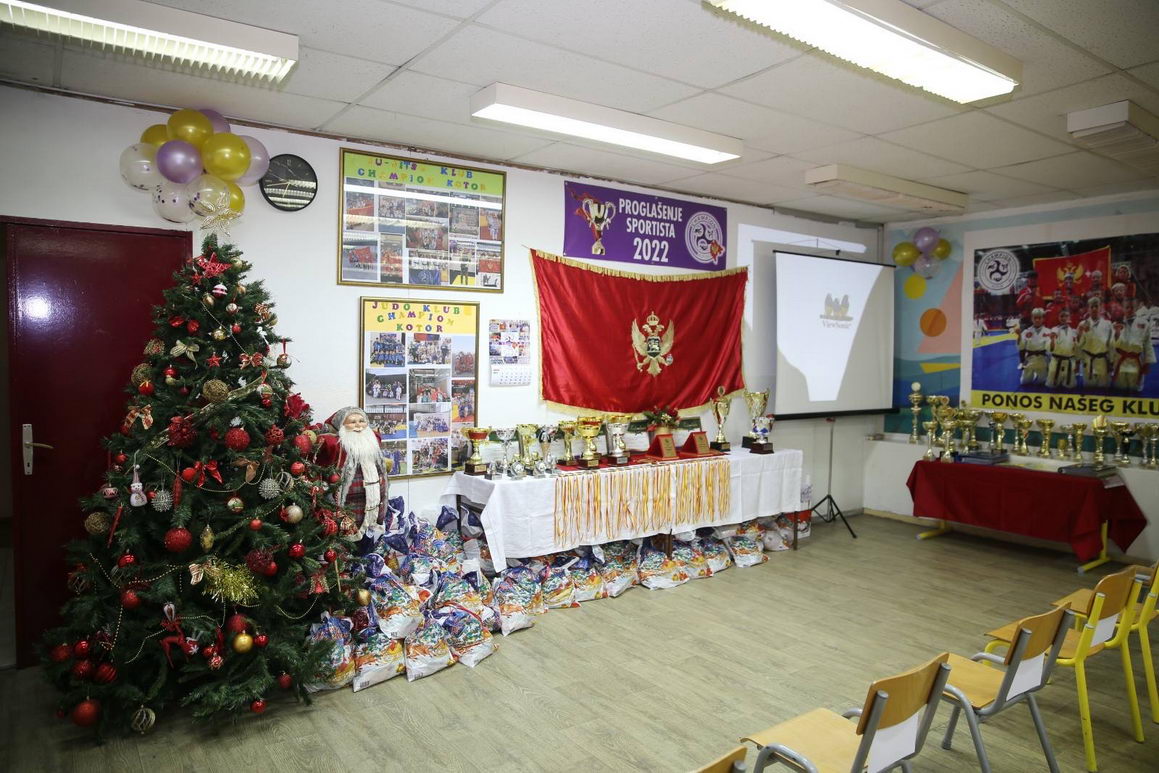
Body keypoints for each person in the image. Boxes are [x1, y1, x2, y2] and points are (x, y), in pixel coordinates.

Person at [316, 407, 391, 541]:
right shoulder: (337, 448)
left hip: (373, 515)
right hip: (348, 517)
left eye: (362, 421)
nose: (358, 425)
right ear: (341, 426)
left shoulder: (372, 446)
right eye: (352, 422)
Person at [1111, 298, 1155, 392]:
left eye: (1132, 307)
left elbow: (1147, 345)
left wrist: (1147, 363)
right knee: (1120, 391)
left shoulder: (1144, 323)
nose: (1129, 309)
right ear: (1123, 308)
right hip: (1120, 362)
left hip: (1136, 363)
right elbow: (1111, 345)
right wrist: (1117, 333)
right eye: (1127, 307)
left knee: (1135, 391)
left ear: (1137, 307)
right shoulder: (1116, 323)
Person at [1078, 297, 1114, 388]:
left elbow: (1111, 344)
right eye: (1092, 307)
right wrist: (1081, 332)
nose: (1094, 309)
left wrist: (1112, 361)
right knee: (1089, 389)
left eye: (1096, 306)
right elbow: (1078, 345)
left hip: (1103, 361)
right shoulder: (1082, 324)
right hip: (1088, 360)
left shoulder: (1108, 324)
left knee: (1104, 388)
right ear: (1088, 309)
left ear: (1100, 308)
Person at [1046, 308, 1079, 389]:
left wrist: (1077, 364)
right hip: (1056, 362)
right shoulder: (1054, 330)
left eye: (1066, 316)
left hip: (1069, 362)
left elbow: (1077, 349)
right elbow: (1049, 349)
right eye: (1062, 316)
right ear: (1058, 317)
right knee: (1052, 386)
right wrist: (1052, 339)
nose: (1064, 318)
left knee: (1070, 386)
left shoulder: (1074, 332)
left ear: (1070, 317)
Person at [1018, 307, 1050, 385]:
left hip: (1042, 359)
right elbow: (1021, 347)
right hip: (1030, 359)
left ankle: (1042, 372)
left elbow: (1049, 349)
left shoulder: (1048, 331)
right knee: (1024, 382)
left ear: (1043, 319)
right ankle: (1033, 374)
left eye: (1039, 318)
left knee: (1042, 382)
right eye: (1035, 318)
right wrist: (1019, 335)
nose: (1037, 320)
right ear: (1032, 319)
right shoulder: (1026, 331)